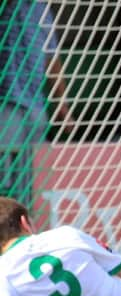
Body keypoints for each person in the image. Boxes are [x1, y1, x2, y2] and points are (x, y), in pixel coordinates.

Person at [0, 0, 74, 201]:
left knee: (32, 177)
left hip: (36, 106)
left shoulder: (44, 11)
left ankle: (24, 225)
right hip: (8, 102)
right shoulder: (13, 5)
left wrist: (62, 105)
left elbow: (52, 59)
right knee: (6, 178)